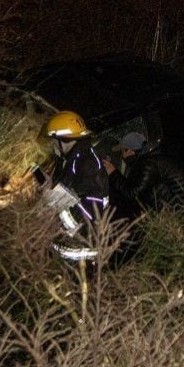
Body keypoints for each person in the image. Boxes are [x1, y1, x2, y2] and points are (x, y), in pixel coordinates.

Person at [41, 110, 109, 262]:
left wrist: (59, 213)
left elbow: (93, 208)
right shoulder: (74, 158)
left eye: (54, 140)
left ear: (63, 140)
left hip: (78, 252)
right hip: (67, 245)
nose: (52, 144)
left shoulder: (87, 164)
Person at [102, 132, 184, 217]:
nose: (122, 156)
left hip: (180, 214)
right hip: (181, 210)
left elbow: (133, 195)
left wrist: (113, 173)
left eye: (123, 152)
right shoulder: (151, 159)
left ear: (130, 151)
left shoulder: (148, 165)